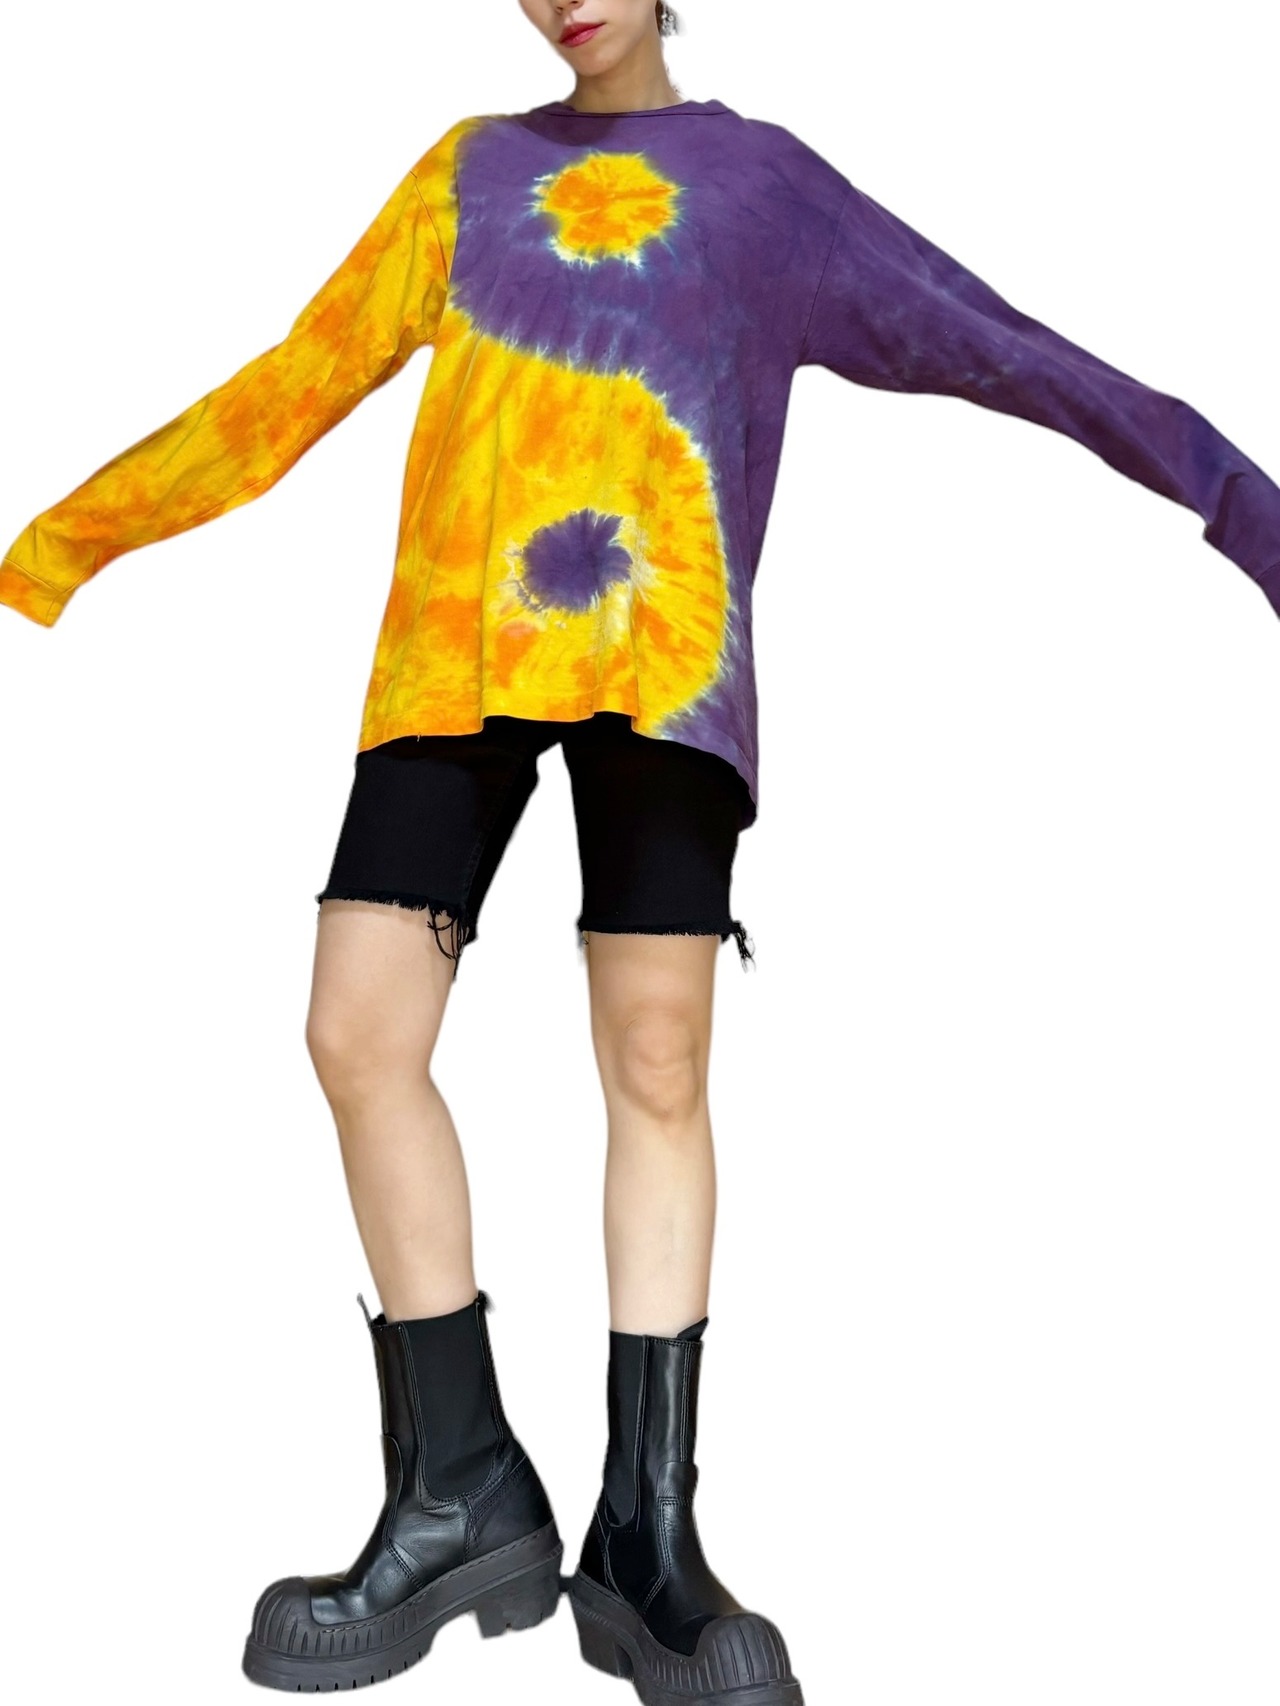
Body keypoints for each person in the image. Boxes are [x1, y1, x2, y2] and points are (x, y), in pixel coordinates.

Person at [4, 2, 1279, 1702]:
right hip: (455, 649)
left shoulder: (766, 190)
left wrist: (1238, 497)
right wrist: (56, 545)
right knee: (357, 1030)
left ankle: (648, 1540)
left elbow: (1001, 345)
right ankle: (457, 1487)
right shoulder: (467, 173)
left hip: (665, 660)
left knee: (660, 1056)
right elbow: (290, 385)